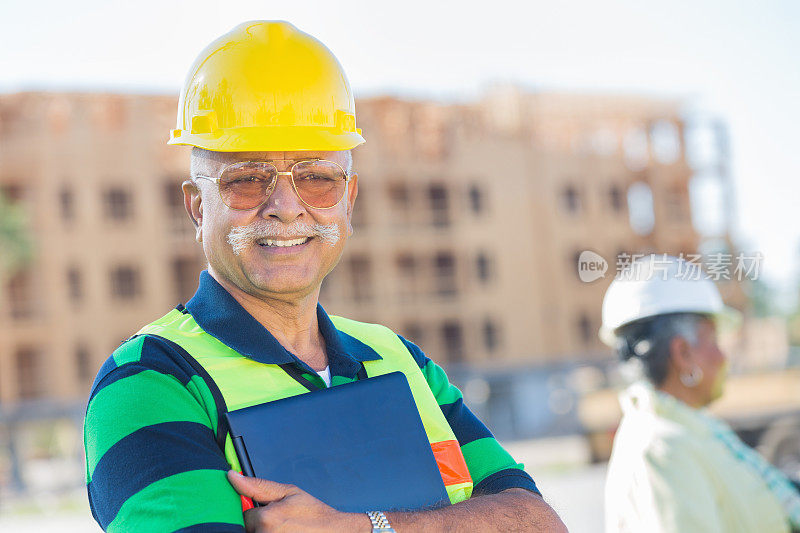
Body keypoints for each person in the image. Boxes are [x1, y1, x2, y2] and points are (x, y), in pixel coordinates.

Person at [83, 21, 566, 533]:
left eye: (317, 178)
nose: (286, 208)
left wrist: (366, 527)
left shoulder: (398, 359)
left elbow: (537, 523)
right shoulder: (150, 381)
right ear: (198, 207)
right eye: (246, 181)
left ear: (349, 199)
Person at [600, 254, 800, 533]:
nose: (723, 357)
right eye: (714, 340)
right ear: (683, 353)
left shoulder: (687, 432)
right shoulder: (663, 447)